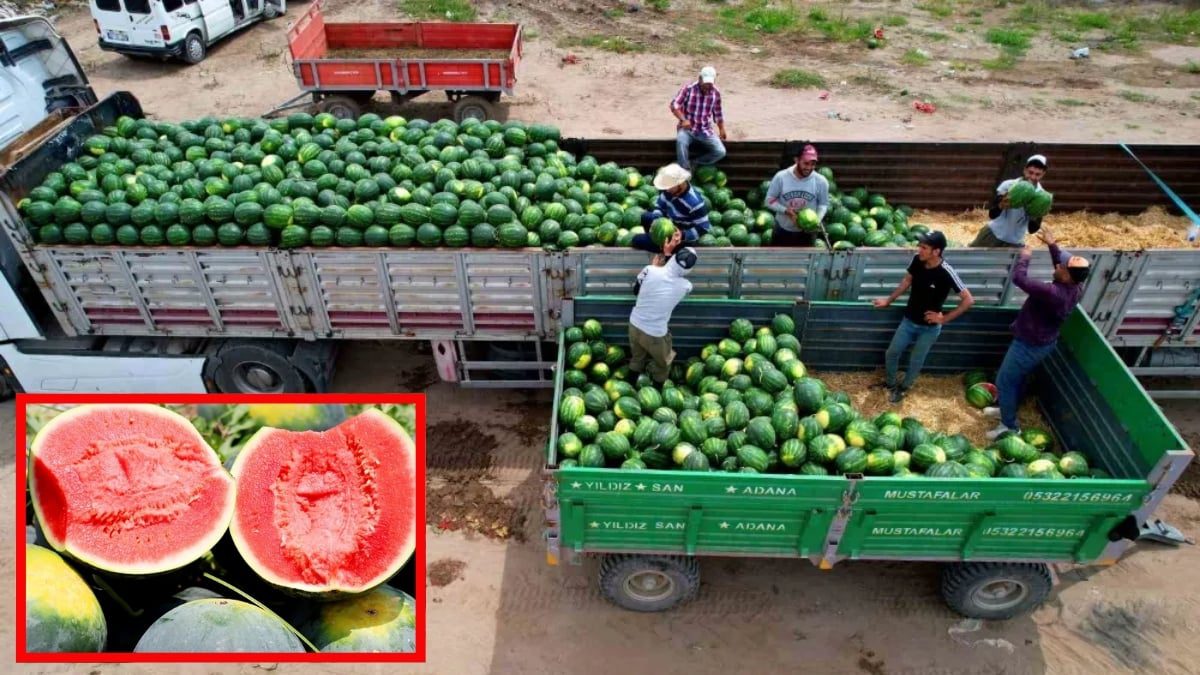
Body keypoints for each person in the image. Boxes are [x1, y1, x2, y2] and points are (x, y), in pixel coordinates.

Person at [985, 227, 1091, 440]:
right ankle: (1006, 410)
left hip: (1029, 345)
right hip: (1039, 342)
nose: (1057, 265)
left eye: (1060, 266)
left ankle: (1010, 426)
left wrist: (1024, 258)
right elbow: (1060, 265)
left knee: (1005, 380)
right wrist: (1052, 244)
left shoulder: (1054, 293)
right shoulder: (1073, 284)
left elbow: (1019, 279)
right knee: (1016, 379)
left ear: (1068, 275)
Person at [873, 231, 974, 403]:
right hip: (909, 320)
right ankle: (890, 384)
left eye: (924, 247)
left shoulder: (946, 271)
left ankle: (904, 388)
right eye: (919, 246)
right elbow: (906, 281)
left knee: (916, 360)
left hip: (929, 328)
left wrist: (943, 319)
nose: (919, 249)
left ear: (936, 251)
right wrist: (888, 300)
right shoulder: (917, 260)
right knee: (892, 352)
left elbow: (969, 300)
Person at [628, 245, 698, 385]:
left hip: (634, 325)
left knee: (637, 359)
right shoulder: (685, 286)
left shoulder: (649, 270)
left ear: (673, 257)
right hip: (655, 334)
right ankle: (658, 391)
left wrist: (655, 266)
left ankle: (630, 386)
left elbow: (636, 291)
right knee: (663, 364)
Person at [971, 154, 1049, 248]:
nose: (1032, 177)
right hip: (992, 234)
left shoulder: (1041, 196)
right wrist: (1000, 205)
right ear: (1024, 170)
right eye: (1030, 172)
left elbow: (1032, 229)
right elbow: (992, 215)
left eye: (1037, 174)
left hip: (1014, 243)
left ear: (1043, 174)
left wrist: (1034, 215)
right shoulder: (1008, 185)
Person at [630, 163, 711, 254]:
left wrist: (682, 235)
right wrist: (656, 219)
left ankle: (664, 251)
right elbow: (660, 205)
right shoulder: (670, 191)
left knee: (636, 240)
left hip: (679, 239)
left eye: (669, 187)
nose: (667, 190)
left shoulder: (695, 203)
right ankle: (655, 239)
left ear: (680, 184)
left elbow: (704, 228)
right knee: (645, 217)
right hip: (670, 224)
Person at [765, 144, 830, 247]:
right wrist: (787, 211)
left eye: (813, 164)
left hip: (808, 233)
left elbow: (823, 204)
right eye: (806, 163)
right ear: (796, 160)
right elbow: (769, 201)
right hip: (783, 229)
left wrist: (816, 220)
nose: (809, 168)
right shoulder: (781, 177)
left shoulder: (821, 181)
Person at [670, 66, 727, 170]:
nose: (707, 86)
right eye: (705, 83)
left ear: (714, 80)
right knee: (681, 142)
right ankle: (684, 169)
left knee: (720, 152)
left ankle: (694, 163)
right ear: (700, 78)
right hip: (687, 130)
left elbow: (718, 113)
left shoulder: (716, 93)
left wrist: (722, 129)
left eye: (710, 83)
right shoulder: (688, 89)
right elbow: (675, 105)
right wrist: (683, 119)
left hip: (705, 130)